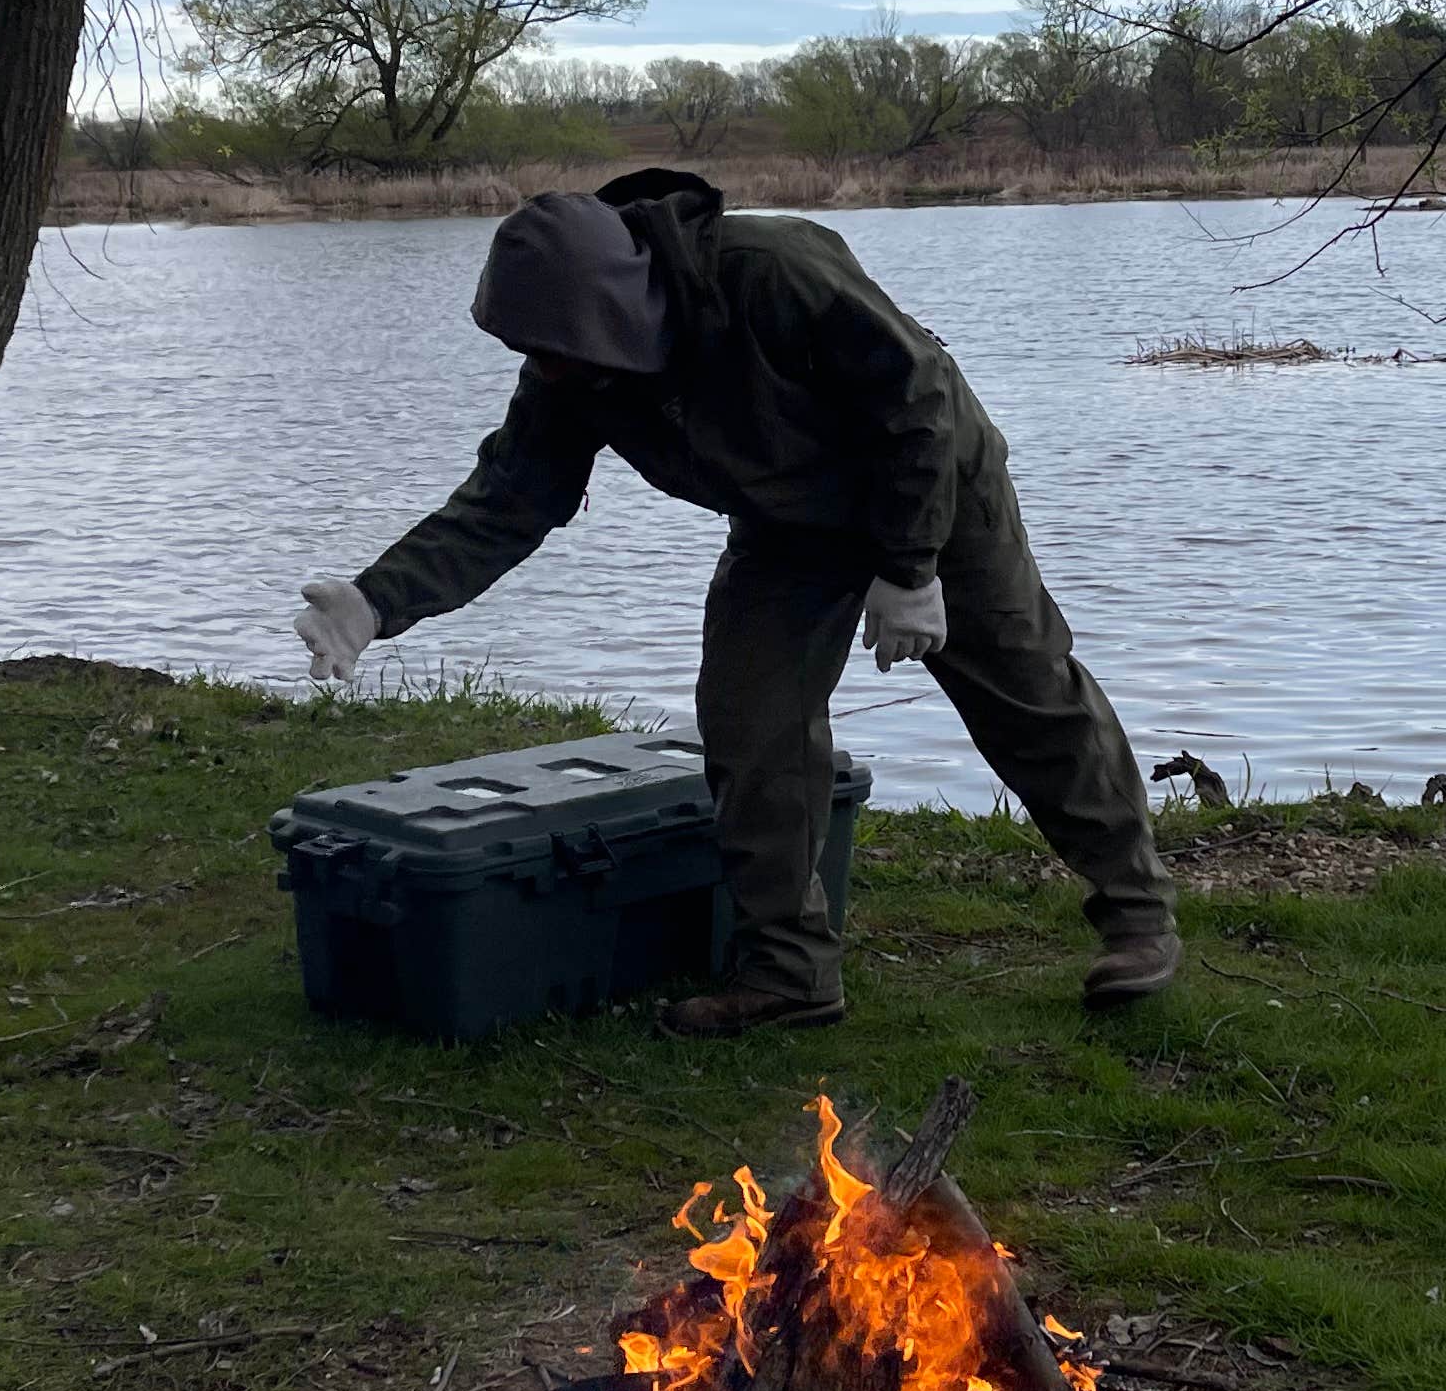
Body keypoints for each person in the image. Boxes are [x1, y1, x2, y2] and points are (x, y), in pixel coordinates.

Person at [293, 168, 1178, 1034]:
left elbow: (919, 405)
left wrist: (911, 569)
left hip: (930, 484)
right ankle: (788, 971)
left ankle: (1136, 916)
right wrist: (377, 602)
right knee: (751, 719)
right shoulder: (574, 371)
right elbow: (507, 502)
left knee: (1025, 690)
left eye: (555, 348)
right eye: (532, 352)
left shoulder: (772, 271)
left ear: (614, 304)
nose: (544, 368)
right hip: (787, 526)